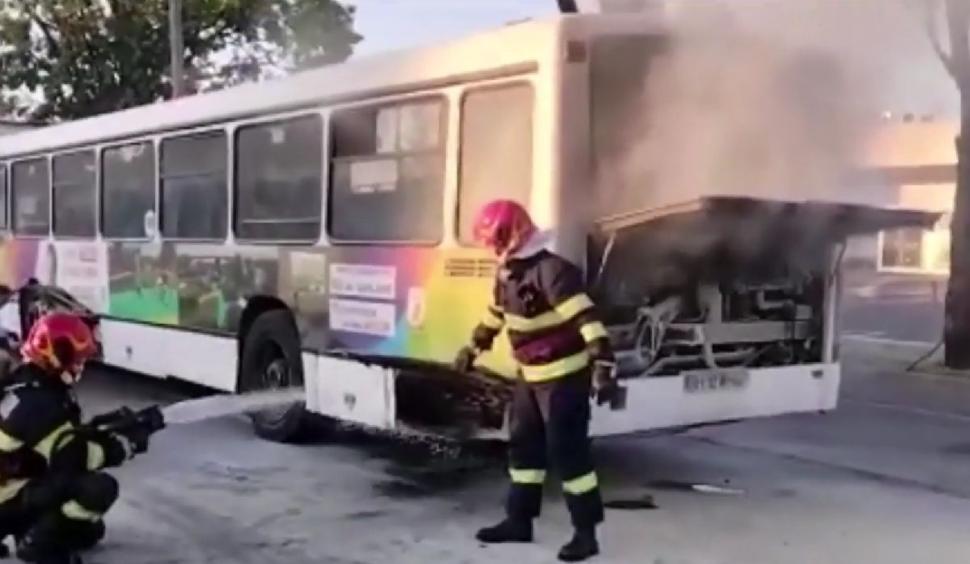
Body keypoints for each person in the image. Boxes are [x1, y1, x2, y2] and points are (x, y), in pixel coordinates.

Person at [455, 199, 620, 562]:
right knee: (524, 448)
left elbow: (587, 320)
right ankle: (519, 521)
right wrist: (473, 348)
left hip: (563, 379)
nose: (492, 248)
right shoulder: (507, 273)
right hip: (529, 378)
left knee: (569, 454)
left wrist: (603, 364)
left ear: (514, 234)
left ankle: (586, 534)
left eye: (496, 239)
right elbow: (496, 316)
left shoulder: (553, 271)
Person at [0, 313, 155, 564]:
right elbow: (73, 458)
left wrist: (104, 425)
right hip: (8, 498)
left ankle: (26, 528)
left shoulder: (25, 384)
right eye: (76, 360)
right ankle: (39, 546)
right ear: (54, 354)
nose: (80, 367)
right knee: (98, 489)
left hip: (9, 489)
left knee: (89, 531)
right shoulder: (42, 403)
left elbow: (58, 438)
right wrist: (126, 445)